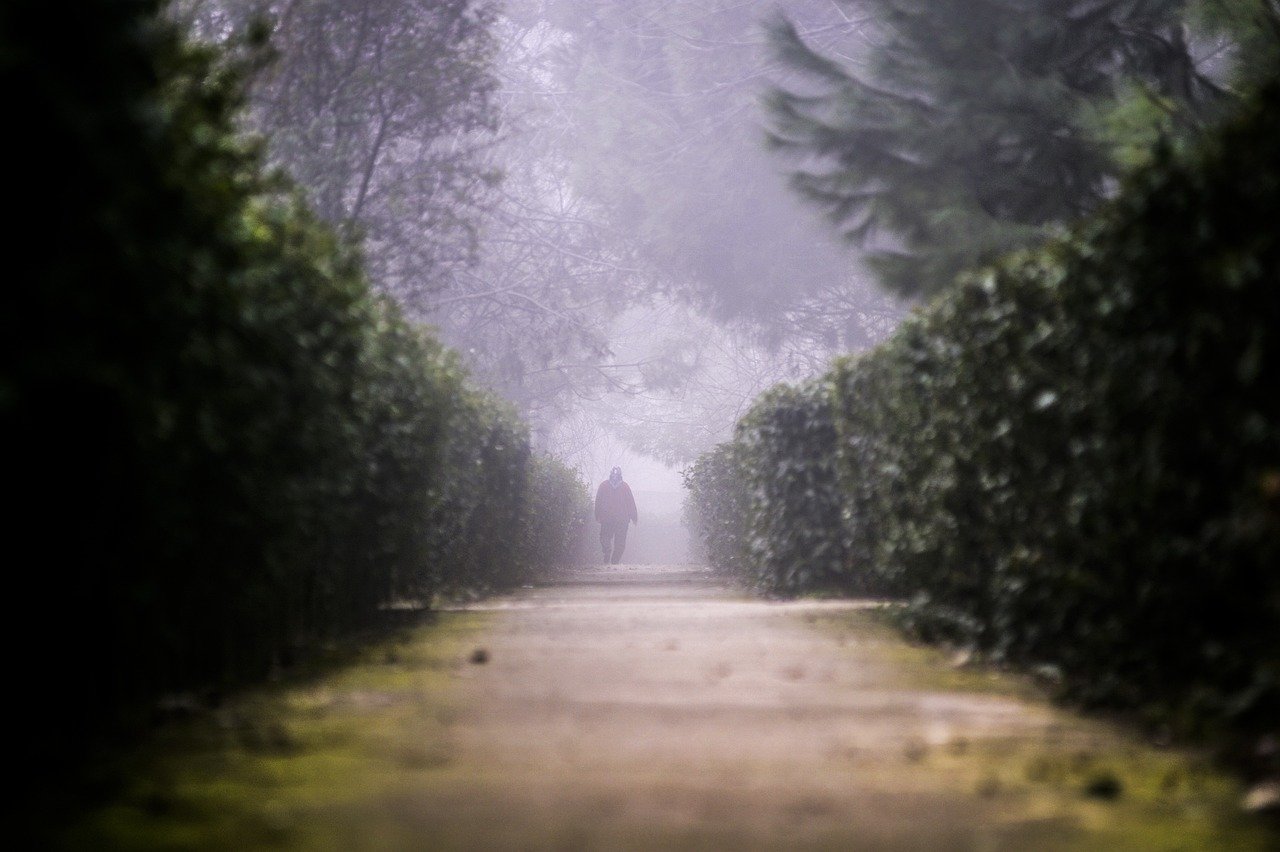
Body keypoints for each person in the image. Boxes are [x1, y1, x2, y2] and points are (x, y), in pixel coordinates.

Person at [594, 466, 638, 565]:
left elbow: (598, 501)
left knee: (605, 536)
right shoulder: (625, 487)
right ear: (620, 475)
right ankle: (615, 561)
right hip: (622, 519)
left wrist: (597, 515)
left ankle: (607, 550)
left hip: (607, 518)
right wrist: (634, 517)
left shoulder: (603, 486)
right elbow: (630, 502)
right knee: (620, 542)